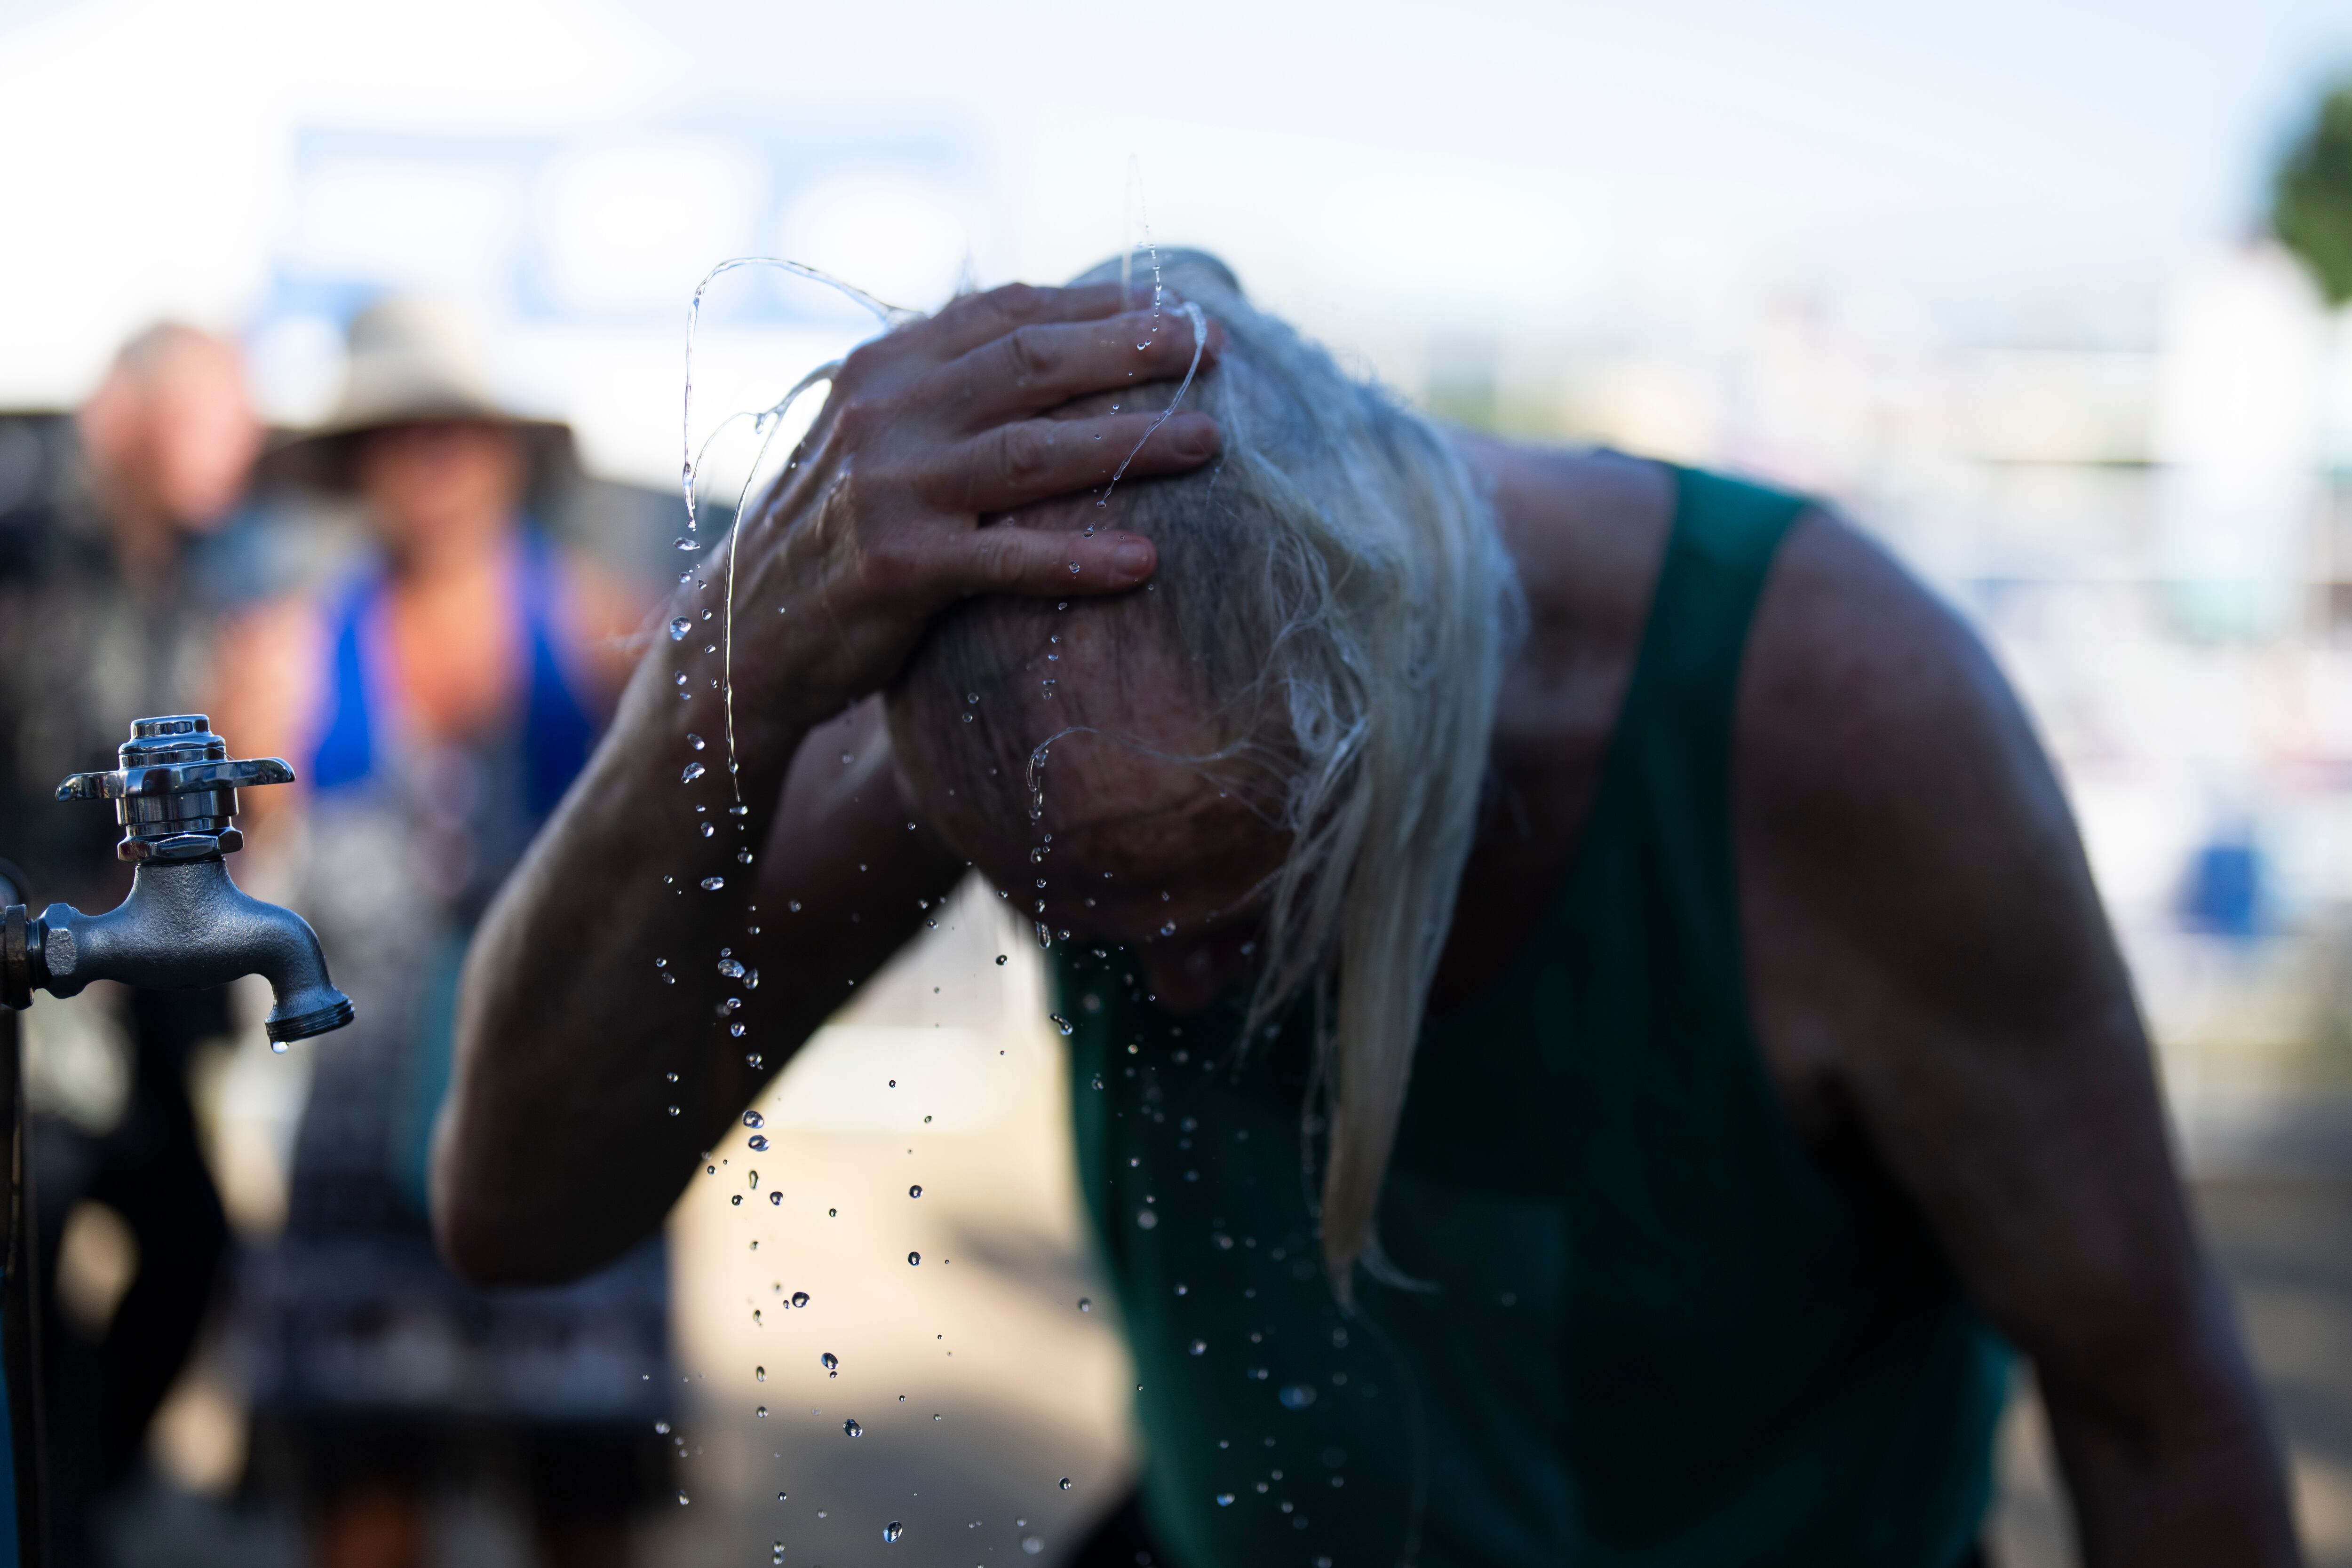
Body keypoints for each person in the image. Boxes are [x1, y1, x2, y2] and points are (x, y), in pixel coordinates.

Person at [433, 257, 2301, 1567]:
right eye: (1072, 917)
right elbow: (515, 1210)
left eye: (1233, 899)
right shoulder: (1013, 682)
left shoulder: (1830, 727)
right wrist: (717, 670)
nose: (1163, 978)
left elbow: (2156, 1418)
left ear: (1395, 716)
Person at [214, 297, 660, 1568]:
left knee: (582, 1515)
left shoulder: (608, 635)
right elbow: (237, 888)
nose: (430, 462)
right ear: (358, 459)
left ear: (508, 448)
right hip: (359, 1154)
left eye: (454, 431)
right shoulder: (285, 659)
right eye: (399, 434)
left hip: (568, 1133)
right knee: (362, 1516)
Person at [0, 323, 266, 1567]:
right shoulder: (31, 540)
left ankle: (79, 1496)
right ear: (133, 416)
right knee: (33, 1237)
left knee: (193, 1242)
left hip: (129, 992)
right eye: (212, 413)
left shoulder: (194, 575)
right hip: (31, 968)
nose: (243, 440)